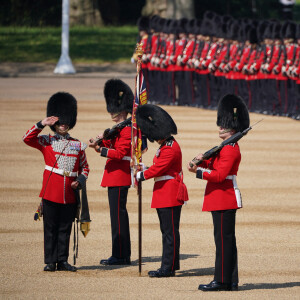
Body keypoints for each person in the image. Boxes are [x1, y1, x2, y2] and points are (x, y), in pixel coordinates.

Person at [187, 94, 249, 291]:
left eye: (223, 125)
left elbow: (220, 175)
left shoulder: (230, 149)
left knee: (223, 241)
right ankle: (230, 280)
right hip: (221, 198)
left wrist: (198, 172)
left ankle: (222, 281)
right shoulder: (224, 147)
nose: (220, 128)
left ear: (231, 128)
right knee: (226, 241)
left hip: (224, 198)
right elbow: (215, 164)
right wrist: (201, 160)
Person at [23, 92, 90, 272]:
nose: (64, 125)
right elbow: (27, 139)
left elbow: (85, 168)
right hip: (51, 191)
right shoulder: (46, 140)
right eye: (60, 122)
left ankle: (62, 260)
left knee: (65, 228)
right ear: (55, 123)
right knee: (50, 228)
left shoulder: (77, 144)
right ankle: (50, 260)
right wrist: (41, 124)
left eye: (66, 122)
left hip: (69, 193)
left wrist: (80, 180)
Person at [135, 104, 188, 278]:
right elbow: (159, 168)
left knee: (169, 233)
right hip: (164, 191)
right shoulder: (166, 145)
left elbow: (159, 170)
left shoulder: (170, 148)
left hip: (169, 193)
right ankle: (170, 264)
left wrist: (141, 175)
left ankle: (168, 267)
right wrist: (144, 168)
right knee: (168, 232)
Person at [89, 79, 133, 265]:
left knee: (118, 217)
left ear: (123, 111)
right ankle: (120, 253)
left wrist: (101, 150)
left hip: (119, 175)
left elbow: (121, 152)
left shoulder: (127, 129)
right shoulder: (118, 129)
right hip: (114, 176)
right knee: (117, 217)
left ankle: (121, 255)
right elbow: (111, 145)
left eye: (116, 111)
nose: (113, 114)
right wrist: (99, 142)